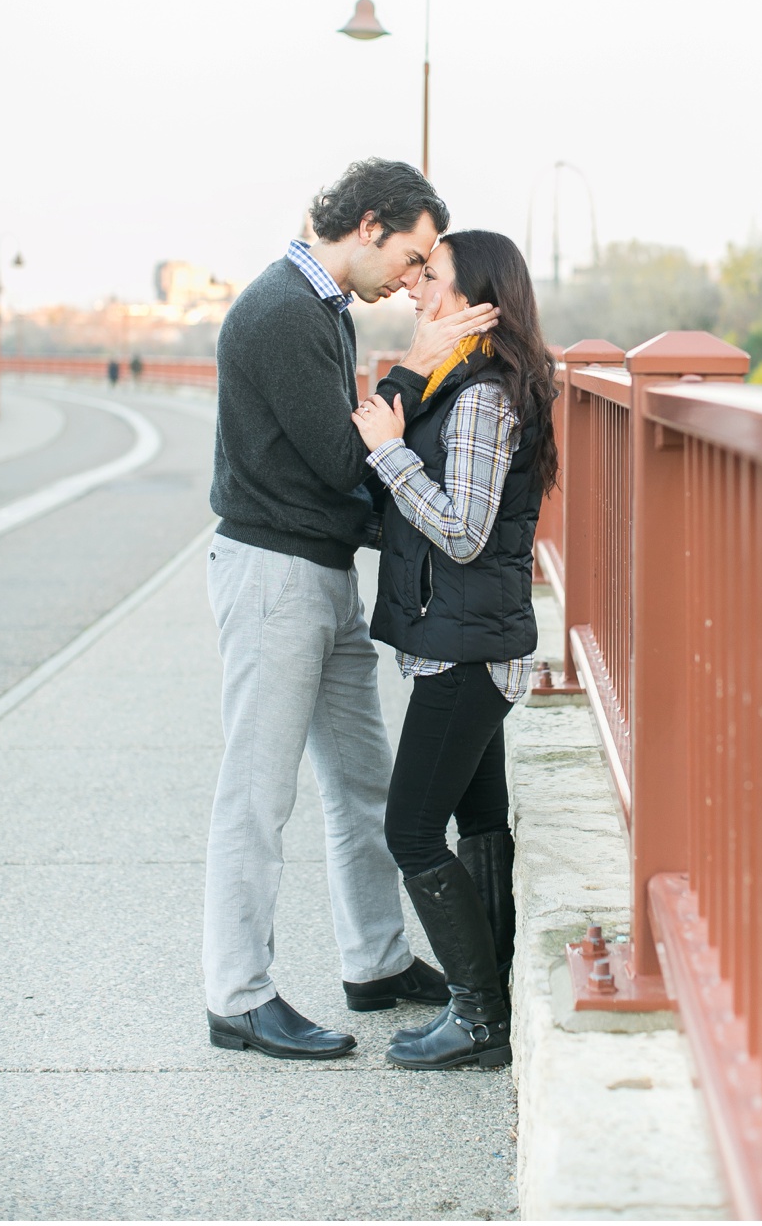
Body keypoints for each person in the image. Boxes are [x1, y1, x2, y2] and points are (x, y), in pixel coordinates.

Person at [203, 159, 499, 1060]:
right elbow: (343, 460)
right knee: (258, 792)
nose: (411, 280)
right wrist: (418, 365)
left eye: (423, 270)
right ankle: (238, 996)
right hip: (273, 575)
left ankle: (374, 962)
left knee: (364, 783)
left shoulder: (322, 309)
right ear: (368, 224)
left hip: (319, 574)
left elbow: (344, 471)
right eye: (409, 257)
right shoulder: (283, 310)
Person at [351, 229, 556, 1071]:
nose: (415, 288)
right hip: (471, 639)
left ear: (479, 303)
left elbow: (466, 533)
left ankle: (477, 1017)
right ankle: (496, 987)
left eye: (430, 277)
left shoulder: (481, 399)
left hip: (468, 650)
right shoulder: (466, 384)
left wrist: (388, 453)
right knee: (475, 817)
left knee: (410, 830)